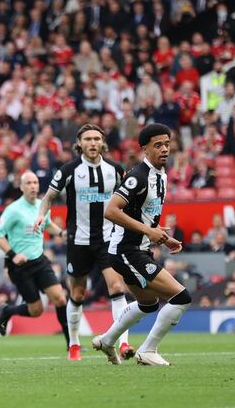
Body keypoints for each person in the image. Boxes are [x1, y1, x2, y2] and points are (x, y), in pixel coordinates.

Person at [33, 124, 135, 361]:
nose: (92, 143)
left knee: (117, 288)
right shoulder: (69, 170)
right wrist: (40, 215)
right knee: (78, 294)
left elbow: (129, 200)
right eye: (88, 139)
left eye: (97, 138)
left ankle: (123, 343)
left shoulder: (115, 170)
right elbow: (48, 197)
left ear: (102, 143)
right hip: (78, 240)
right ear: (79, 143)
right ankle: (74, 344)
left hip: (108, 239)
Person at [92, 123, 190, 367]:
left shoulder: (161, 175)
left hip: (138, 250)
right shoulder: (138, 176)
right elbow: (111, 211)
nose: (164, 149)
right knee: (182, 297)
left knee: (149, 304)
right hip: (126, 251)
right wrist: (148, 231)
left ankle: (107, 340)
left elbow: (144, 215)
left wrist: (162, 237)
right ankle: (148, 350)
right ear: (145, 149)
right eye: (158, 145)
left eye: (167, 144)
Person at [0, 171, 69, 344]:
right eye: (28, 183)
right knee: (36, 311)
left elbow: (48, 224)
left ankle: (71, 343)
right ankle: (7, 311)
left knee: (60, 298)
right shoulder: (13, 210)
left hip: (39, 260)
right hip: (20, 266)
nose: (33, 186)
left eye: (35, 183)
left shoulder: (43, 206)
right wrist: (13, 255)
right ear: (21, 187)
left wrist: (62, 233)